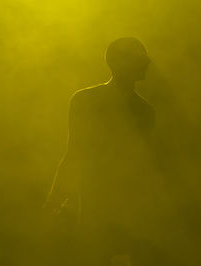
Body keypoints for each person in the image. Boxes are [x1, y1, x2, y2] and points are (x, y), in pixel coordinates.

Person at [45, 37, 165, 265]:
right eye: (141, 56)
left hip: (118, 209)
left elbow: (75, 154)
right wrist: (56, 199)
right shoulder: (92, 102)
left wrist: (56, 200)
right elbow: (75, 154)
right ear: (121, 62)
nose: (148, 61)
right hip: (107, 208)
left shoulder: (141, 110)